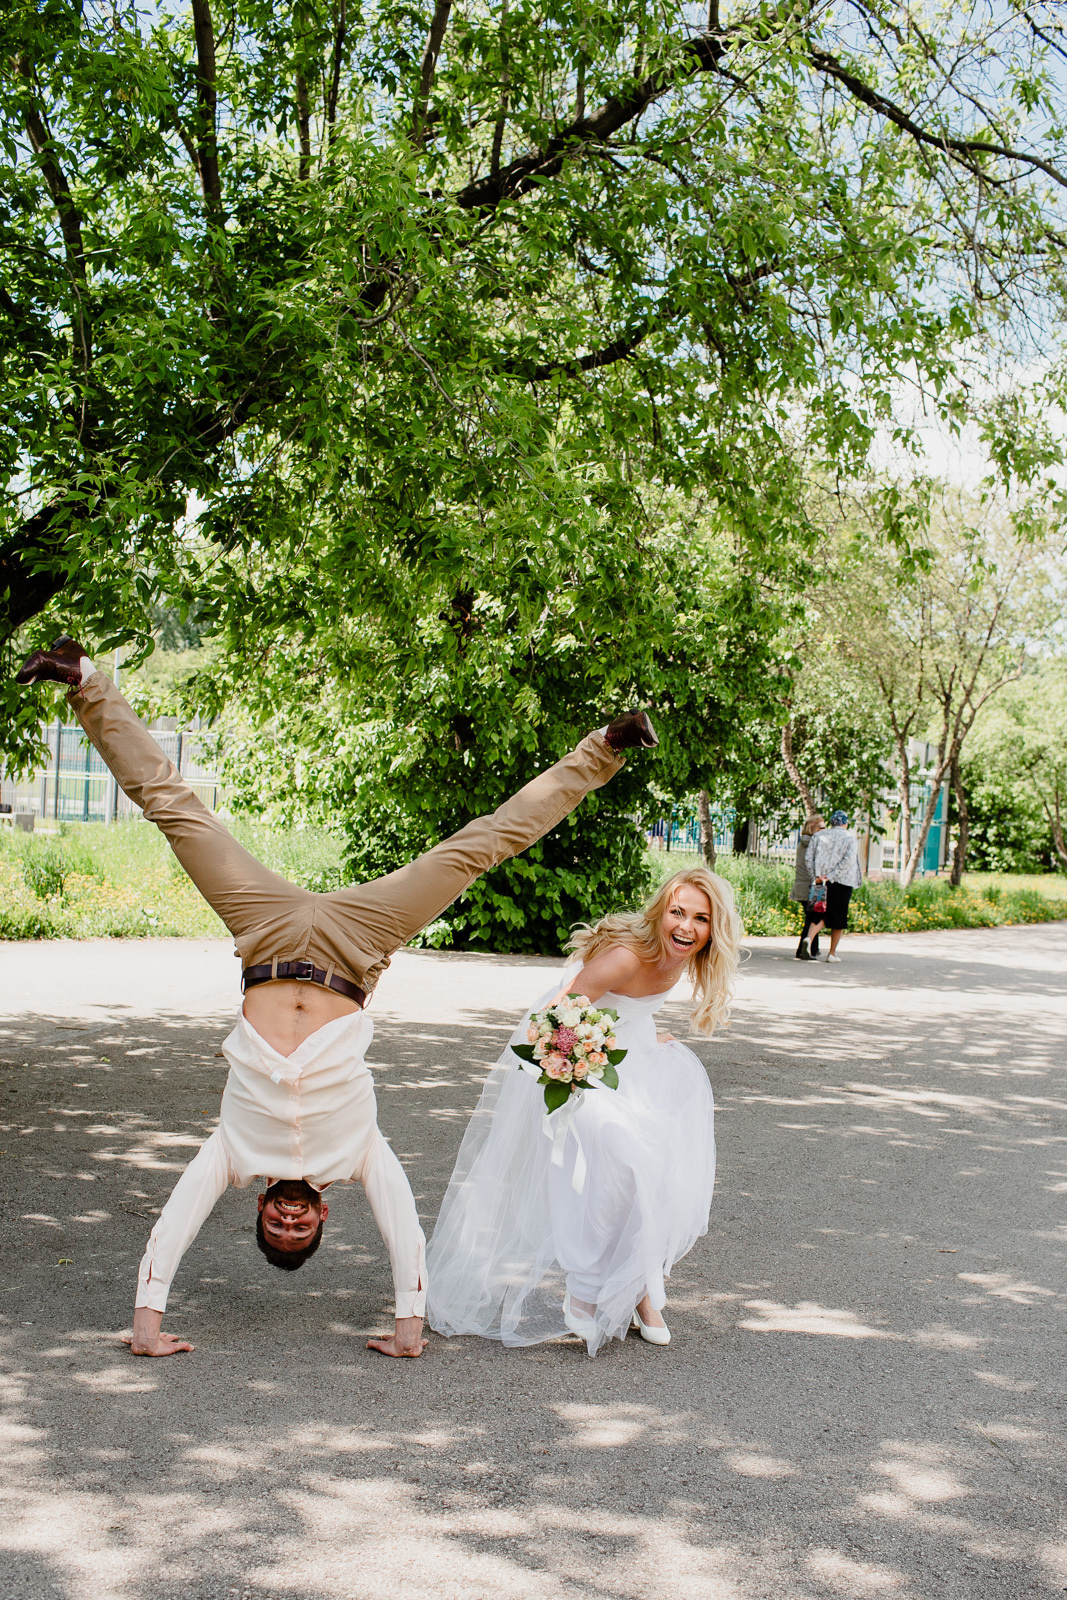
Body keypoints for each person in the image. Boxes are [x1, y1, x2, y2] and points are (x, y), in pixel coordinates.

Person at [15, 635, 659, 1359]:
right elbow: (403, 1231)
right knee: (478, 846)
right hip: (355, 946)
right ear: (322, 1213)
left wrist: (145, 1329)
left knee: (173, 809)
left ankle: (80, 676)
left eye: (278, 1226)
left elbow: (172, 1224)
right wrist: (408, 1331)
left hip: (265, 935)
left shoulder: (230, 1153)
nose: (290, 1220)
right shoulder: (360, 1154)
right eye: (301, 1229)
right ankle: (607, 744)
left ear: (259, 1208)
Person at [426, 867, 741, 1355]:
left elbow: (631, 1009)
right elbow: (555, 1016)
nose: (686, 927)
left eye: (700, 919)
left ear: (712, 929)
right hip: (576, 1060)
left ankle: (640, 1289)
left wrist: (643, 1032)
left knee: (657, 1172)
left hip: (630, 1058)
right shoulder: (624, 956)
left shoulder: (682, 959)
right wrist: (584, 1060)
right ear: (661, 911)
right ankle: (587, 1289)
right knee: (628, 1158)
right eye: (678, 912)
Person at [799, 807, 863, 963]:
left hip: (820, 882)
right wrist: (832, 876)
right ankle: (832, 953)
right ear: (845, 823)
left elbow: (809, 858)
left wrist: (817, 877)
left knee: (819, 912)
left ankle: (809, 938)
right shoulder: (849, 837)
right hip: (842, 882)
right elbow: (848, 861)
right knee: (838, 917)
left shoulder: (819, 836)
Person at [792, 813, 825, 960]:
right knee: (813, 918)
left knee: (812, 916)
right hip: (810, 886)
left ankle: (813, 948)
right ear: (814, 828)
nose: (825, 830)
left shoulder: (803, 841)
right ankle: (803, 950)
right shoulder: (813, 843)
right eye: (822, 827)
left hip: (802, 885)